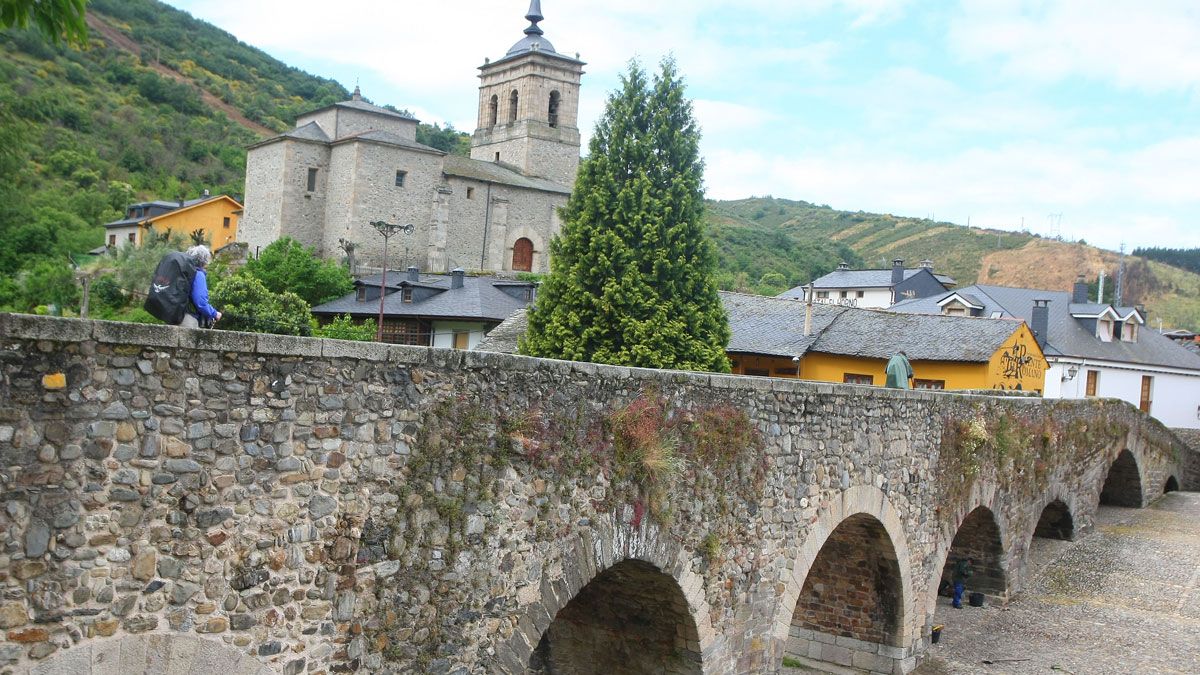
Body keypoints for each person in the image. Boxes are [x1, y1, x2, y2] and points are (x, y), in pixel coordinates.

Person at [179, 245, 221, 328]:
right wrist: (215, 313)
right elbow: (200, 301)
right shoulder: (198, 274)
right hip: (188, 318)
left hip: (175, 315)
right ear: (204, 260)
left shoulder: (184, 273)